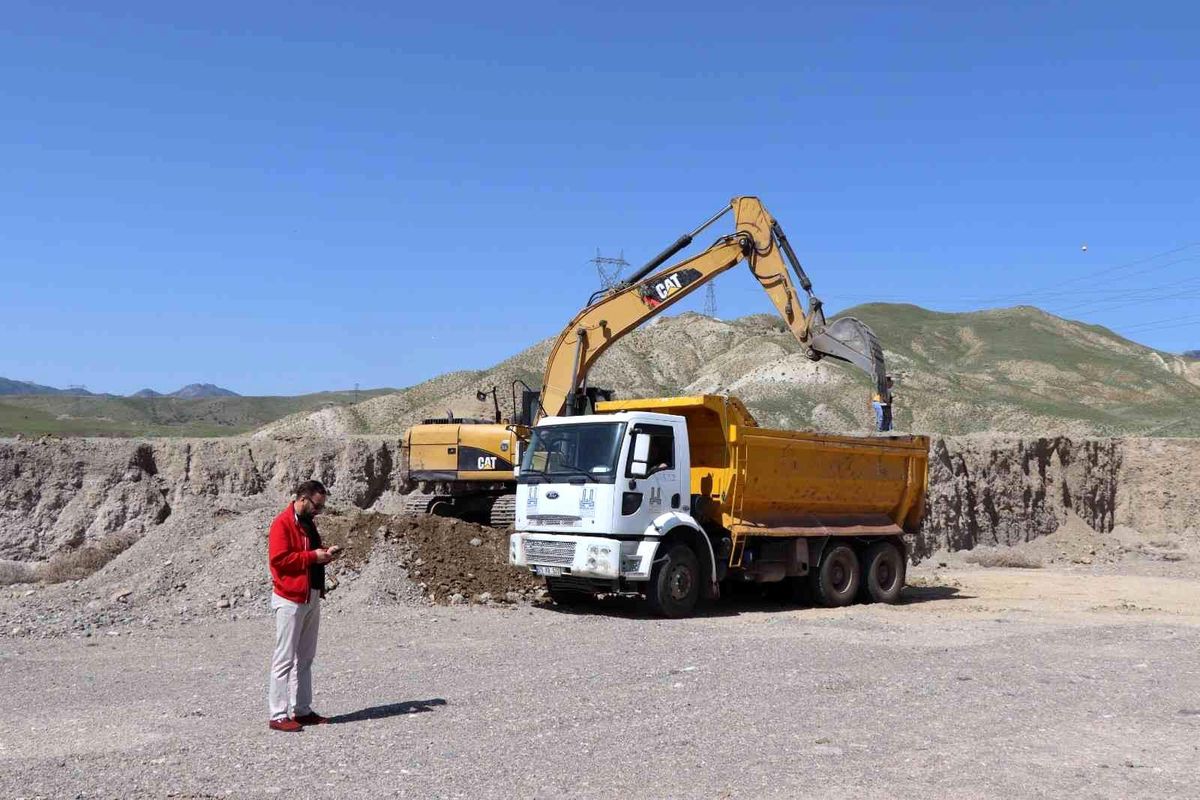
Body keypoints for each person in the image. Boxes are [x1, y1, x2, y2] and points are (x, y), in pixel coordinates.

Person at [267, 480, 340, 732]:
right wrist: (313, 557)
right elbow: (279, 559)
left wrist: (323, 554)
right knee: (284, 658)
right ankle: (277, 714)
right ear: (303, 498)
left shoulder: (307, 523)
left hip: (310, 595)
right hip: (290, 598)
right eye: (317, 505)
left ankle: (303, 710)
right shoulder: (282, 524)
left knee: (305, 658)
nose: (319, 510)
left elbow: (306, 554)